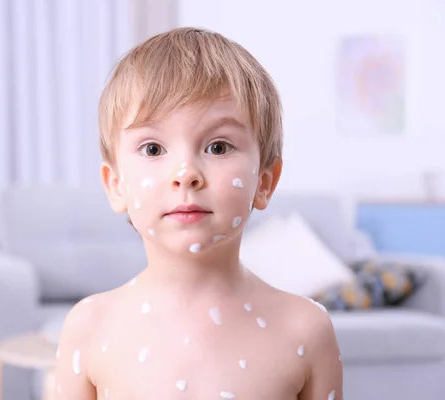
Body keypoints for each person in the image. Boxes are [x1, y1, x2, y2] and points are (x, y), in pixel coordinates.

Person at [52, 27, 343, 400]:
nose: (185, 173)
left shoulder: (306, 330)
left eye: (218, 146)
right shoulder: (89, 326)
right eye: (154, 149)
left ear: (265, 182)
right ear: (116, 185)